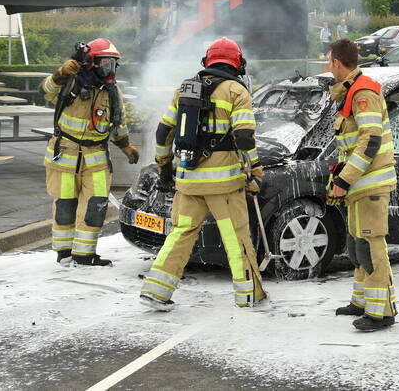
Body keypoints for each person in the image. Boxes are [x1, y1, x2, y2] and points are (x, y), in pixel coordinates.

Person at [139, 37, 267, 312]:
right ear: (238, 63)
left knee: (180, 234)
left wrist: (164, 166)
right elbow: (244, 138)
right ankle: (248, 295)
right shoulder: (237, 91)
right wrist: (255, 170)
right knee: (236, 238)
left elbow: (163, 132)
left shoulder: (184, 89)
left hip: (188, 182)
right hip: (224, 185)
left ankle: (156, 291)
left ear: (206, 61)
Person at [42, 38, 139, 266]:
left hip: (96, 160)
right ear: (91, 62)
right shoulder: (70, 81)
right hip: (65, 155)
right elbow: (45, 91)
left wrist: (126, 146)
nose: (109, 69)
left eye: (113, 64)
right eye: (105, 63)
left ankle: (84, 254)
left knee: (95, 206)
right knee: (65, 204)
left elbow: (118, 123)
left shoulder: (113, 92)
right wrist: (60, 73)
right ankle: (64, 252)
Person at [325, 38, 398, 332]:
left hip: (370, 185)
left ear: (337, 63)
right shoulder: (352, 91)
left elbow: (371, 141)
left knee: (371, 246)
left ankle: (381, 313)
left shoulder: (362, 93)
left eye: (328, 60)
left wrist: (344, 179)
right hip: (361, 186)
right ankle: (361, 301)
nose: (326, 66)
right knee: (357, 245)